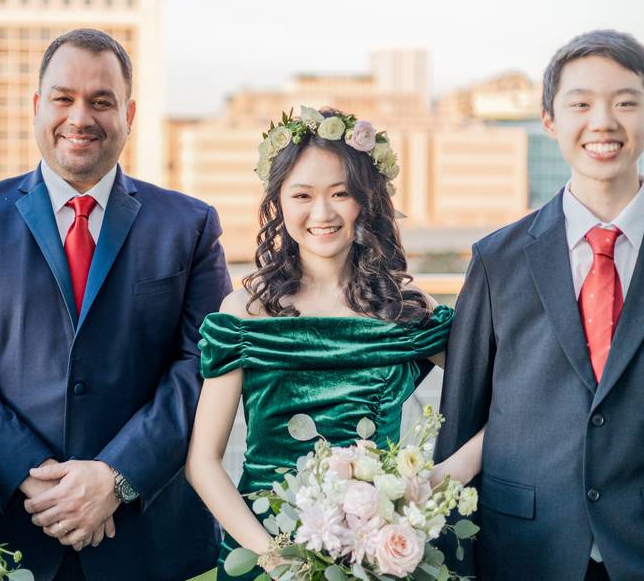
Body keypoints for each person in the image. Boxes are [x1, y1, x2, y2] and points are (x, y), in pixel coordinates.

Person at [0, 28, 231, 581]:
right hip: (4, 537)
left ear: (128, 113)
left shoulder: (190, 225)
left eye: (101, 101)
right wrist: (32, 477)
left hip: (152, 544)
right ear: (38, 106)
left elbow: (202, 367)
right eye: (64, 98)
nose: (81, 117)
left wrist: (115, 477)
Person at [434, 29, 644, 580]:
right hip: (523, 549)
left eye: (625, 102)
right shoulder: (497, 260)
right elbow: (461, 414)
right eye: (581, 103)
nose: (603, 122)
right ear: (550, 120)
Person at [185, 107, 456, 580]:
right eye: (303, 195)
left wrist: (425, 489)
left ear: (365, 201)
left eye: (340, 194)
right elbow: (203, 463)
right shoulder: (243, 313)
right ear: (280, 203)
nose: (322, 213)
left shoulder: (407, 307)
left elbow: (503, 399)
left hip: (377, 557)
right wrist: (276, 558)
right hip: (266, 552)